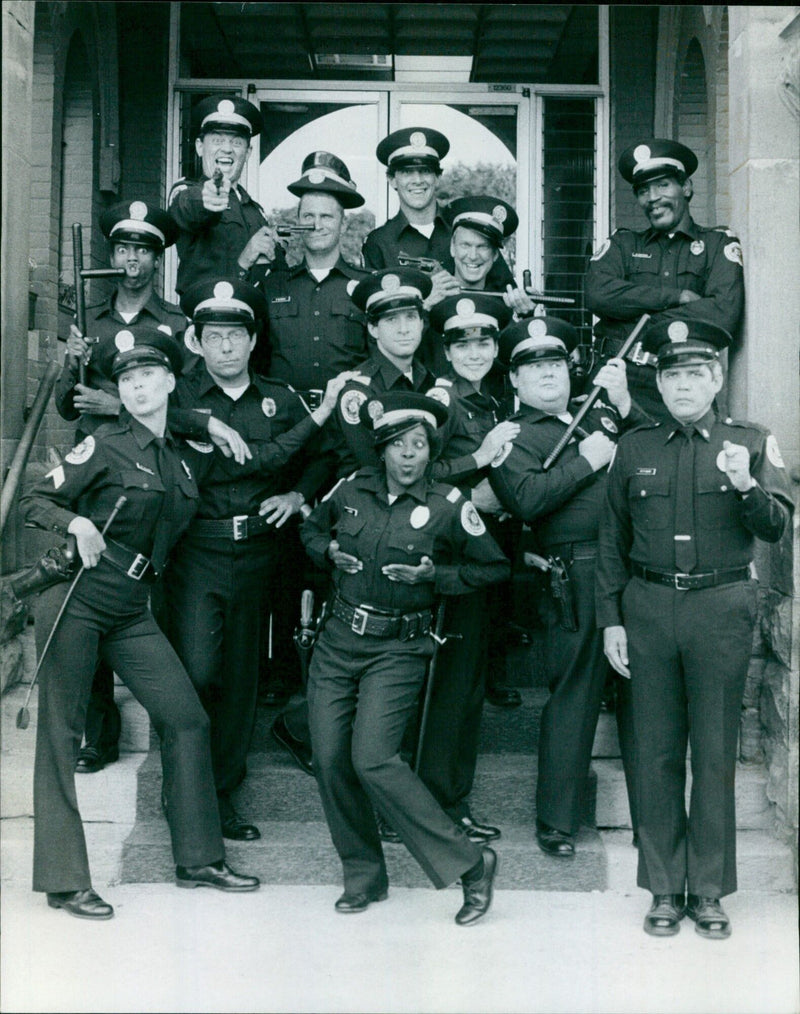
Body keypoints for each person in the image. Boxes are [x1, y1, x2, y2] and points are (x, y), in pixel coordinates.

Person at [20, 327, 260, 920]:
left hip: (131, 605)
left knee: (186, 716)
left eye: (149, 375)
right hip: (77, 596)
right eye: (126, 379)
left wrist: (207, 423)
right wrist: (75, 525)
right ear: (119, 392)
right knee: (61, 733)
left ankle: (199, 859)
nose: (137, 386)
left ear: (172, 382)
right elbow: (33, 501)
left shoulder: (177, 454)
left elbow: (193, 434)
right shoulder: (101, 444)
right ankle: (64, 879)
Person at [596, 318, 792, 939]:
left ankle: (708, 890)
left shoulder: (751, 443)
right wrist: (611, 622)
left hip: (720, 608)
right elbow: (611, 543)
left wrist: (745, 484)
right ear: (658, 381)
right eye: (671, 374)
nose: (683, 385)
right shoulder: (635, 447)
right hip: (649, 606)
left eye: (695, 374)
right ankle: (662, 887)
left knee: (712, 751)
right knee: (652, 753)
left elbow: (776, 528)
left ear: (716, 379)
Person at [301, 390, 510, 924]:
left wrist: (434, 578)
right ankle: (364, 877)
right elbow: (311, 527)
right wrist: (326, 550)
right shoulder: (351, 489)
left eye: (419, 444)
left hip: (399, 647)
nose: (409, 455)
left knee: (372, 757)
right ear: (382, 450)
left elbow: (493, 568)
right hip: (337, 642)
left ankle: (470, 863)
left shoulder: (449, 505)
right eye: (398, 445)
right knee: (328, 758)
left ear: (430, 449)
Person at [165, 278, 351, 842]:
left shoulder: (280, 396)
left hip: (259, 554)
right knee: (198, 672)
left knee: (243, 680)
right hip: (197, 550)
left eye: (235, 336)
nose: (225, 347)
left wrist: (298, 495)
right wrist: (203, 424)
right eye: (213, 336)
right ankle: (185, 796)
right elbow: (151, 420)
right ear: (196, 342)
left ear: (252, 342)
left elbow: (322, 457)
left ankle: (221, 798)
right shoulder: (177, 397)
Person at [488, 316, 638, 858]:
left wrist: (624, 405)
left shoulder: (599, 412)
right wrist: (586, 461)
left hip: (633, 568)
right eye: (533, 367)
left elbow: (657, 452)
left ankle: (650, 817)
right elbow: (525, 500)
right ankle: (558, 820)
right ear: (515, 381)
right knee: (574, 696)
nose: (547, 374)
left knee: (644, 695)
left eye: (554, 363)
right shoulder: (513, 438)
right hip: (573, 573)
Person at [54, 199, 186, 776]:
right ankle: (98, 733)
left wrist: (118, 403)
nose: (132, 260)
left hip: (152, 475)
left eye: (144, 251)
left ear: (159, 258)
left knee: (152, 591)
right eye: (124, 249)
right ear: (113, 254)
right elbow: (67, 406)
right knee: (92, 594)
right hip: (97, 474)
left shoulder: (176, 323)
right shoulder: (91, 316)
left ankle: (168, 707)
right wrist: (70, 365)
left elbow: (186, 406)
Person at [246, 151, 369, 713]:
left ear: (345, 224)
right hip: (288, 436)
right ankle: (276, 668)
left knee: (340, 546)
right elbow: (249, 351)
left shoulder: (364, 288)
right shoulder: (273, 285)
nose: (318, 225)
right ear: (297, 220)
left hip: (346, 440)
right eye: (309, 215)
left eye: (328, 217)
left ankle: (333, 664)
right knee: (279, 553)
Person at [401, 293, 520, 840]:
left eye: (485, 341)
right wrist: (479, 463)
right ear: (444, 349)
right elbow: (418, 470)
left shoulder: (495, 396)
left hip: (489, 555)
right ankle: (437, 804)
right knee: (447, 685)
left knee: (467, 684)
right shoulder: (440, 399)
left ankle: (446, 796)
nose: (475, 352)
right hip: (450, 557)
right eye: (462, 342)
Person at [584, 139, 745, 421]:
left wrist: (633, 320)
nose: (652, 197)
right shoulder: (623, 243)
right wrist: (676, 297)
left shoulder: (718, 244)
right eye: (643, 190)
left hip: (684, 382)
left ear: (686, 188)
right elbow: (598, 294)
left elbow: (723, 314)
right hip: (618, 374)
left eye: (662, 185)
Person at [362, 127, 513, 292]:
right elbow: (373, 309)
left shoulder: (466, 227)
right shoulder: (379, 242)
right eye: (407, 172)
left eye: (425, 171)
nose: (417, 180)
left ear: (438, 178)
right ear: (392, 180)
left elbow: (505, 294)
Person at [330, 268, 438, 479]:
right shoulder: (358, 391)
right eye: (391, 320)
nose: (404, 329)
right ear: (373, 329)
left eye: (411, 317)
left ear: (422, 322)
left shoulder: (428, 380)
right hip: (369, 502)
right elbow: (386, 471)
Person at [169, 95, 281, 297]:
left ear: (247, 153)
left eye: (237, 142)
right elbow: (192, 206)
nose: (227, 149)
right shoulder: (187, 193)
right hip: (207, 319)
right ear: (200, 147)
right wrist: (208, 199)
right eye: (218, 140)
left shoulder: (255, 211)